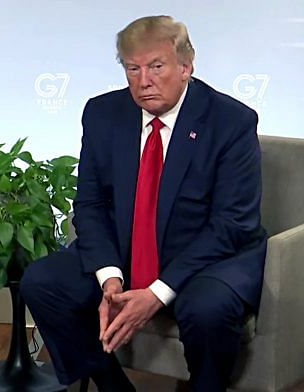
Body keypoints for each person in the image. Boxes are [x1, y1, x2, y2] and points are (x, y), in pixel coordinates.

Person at [21, 15, 266, 392]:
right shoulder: (103, 113)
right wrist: (110, 278)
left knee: (207, 310)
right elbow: (90, 203)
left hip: (208, 258)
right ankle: (112, 385)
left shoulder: (230, 122)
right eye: (132, 69)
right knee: (42, 282)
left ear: (186, 66)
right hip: (127, 248)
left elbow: (232, 225)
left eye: (156, 66)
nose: (143, 80)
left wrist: (157, 293)